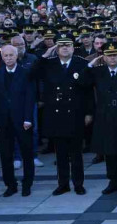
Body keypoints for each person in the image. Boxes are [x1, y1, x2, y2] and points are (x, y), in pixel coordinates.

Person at [32, 33, 91, 195]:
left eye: (68, 45)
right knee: (61, 154)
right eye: (61, 45)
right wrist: (44, 55)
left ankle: (78, 184)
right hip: (56, 115)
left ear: (73, 47)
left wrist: (89, 113)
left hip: (76, 114)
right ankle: (63, 183)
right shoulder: (48, 64)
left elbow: (88, 91)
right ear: (56, 48)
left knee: (76, 153)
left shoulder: (81, 63)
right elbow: (31, 75)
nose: (65, 48)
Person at [81, 42, 117, 195]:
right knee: (109, 151)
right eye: (109, 55)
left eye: (115, 54)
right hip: (105, 116)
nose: (112, 58)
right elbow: (80, 82)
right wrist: (90, 64)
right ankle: (112, 181)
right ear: (104, 57)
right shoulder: (98, 71)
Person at [0, 45, 37, 197]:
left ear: (17, 56)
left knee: (27, 153)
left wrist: (28, 118)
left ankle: (27, 184)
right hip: (3, 121)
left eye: (11, 55)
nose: (9, 58)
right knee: (5, 154)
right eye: (6, 56)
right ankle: (10, 185)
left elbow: (30, 97)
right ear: (2, 57)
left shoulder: (26, 73)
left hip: (23, 120)